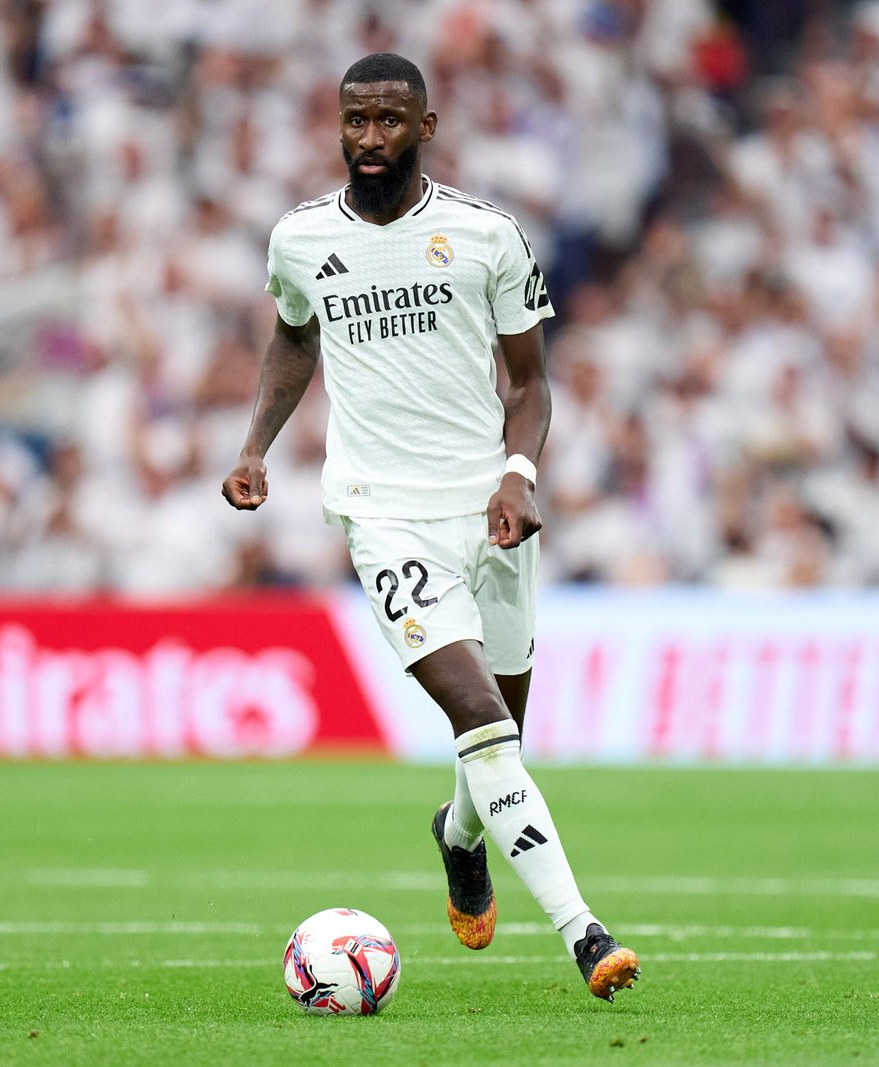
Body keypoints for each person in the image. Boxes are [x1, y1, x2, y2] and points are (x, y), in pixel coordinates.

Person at [221, 52, 640, 1002]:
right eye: (355, 121)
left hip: (490, 511)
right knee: (483, 721)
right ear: (338, 125)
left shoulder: (486, 236)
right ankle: (585, 933)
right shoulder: (298, 239)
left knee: (503, 741)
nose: (371, 138)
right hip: (381, 514)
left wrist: (519, 473)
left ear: (427, 126)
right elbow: (295, 334)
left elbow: (530, 383)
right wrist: (256, 447)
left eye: (389, 121)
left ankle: (458, 835)